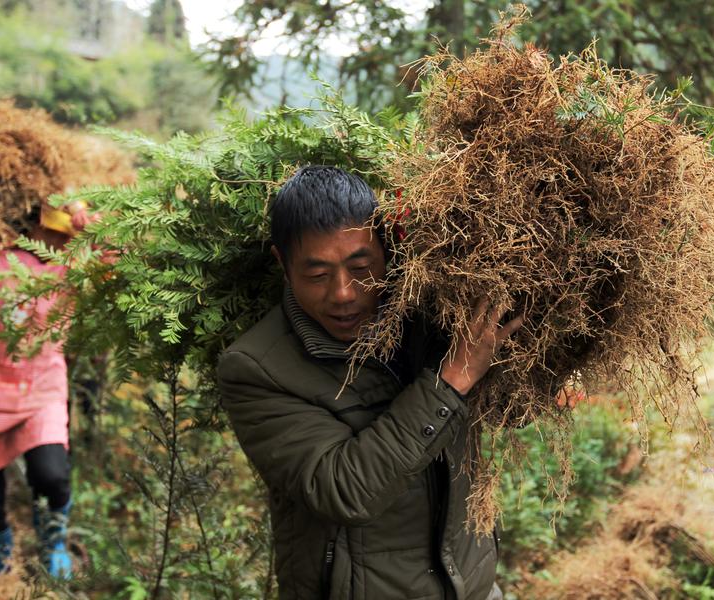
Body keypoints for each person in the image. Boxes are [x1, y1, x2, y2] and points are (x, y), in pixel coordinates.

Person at [218, 165, 523, 599]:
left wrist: (550, 372)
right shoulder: (256, 369)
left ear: (387, 249)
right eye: (317, 275)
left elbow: (496, 407)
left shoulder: (433, 310)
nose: (343, 293)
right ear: (282, 264)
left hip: (472, 586)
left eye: (360, 266)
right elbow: (345, 490)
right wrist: (453, 377)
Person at [0, 203, 89, 583]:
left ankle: (52, 540)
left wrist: (88, 223)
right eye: (57, 233)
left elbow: (121, 257)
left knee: (51, 475)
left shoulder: (73, 265)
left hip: (42, 387)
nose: (62, 242)